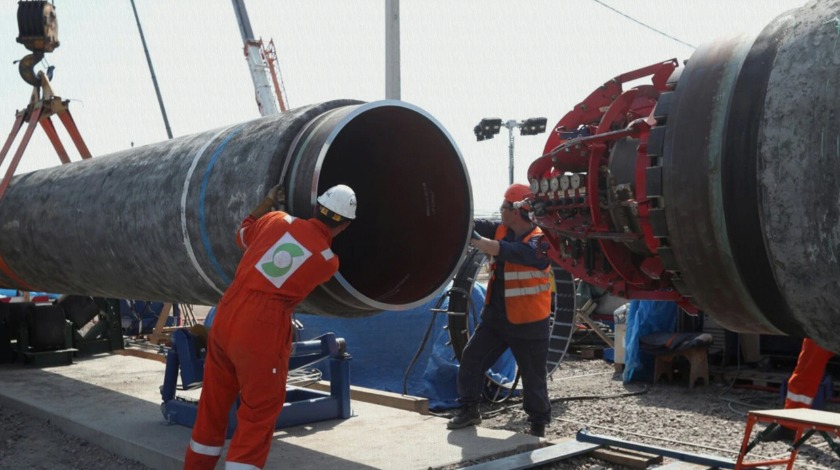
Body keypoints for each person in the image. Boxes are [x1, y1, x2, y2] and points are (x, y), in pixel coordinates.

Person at [184, 183, 357, 469]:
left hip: (228, 310)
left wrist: (266, 204)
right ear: (346, 226)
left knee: (212, 407)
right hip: (261, 327)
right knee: (258, 414)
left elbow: (242, 233)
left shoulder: (275, 220)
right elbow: (308, 253)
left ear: (316, 206)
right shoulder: (328, 262)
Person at [447, 183, 553, 437]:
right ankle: (469, 409)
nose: (500, 210)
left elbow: (509, 251)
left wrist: (477, 241)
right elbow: (471, 223)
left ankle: (538, 423)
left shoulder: (541, 241)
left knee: (533, 377)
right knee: (472, 357)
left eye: (504, 206)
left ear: (516, 210)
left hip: (529, 323)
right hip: (497, 318)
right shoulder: (500, 229)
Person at [766, 337, 835, 441]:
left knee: (806, 370)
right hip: (822, 326)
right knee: (805, 371)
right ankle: (789, 427)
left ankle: (789, 427)